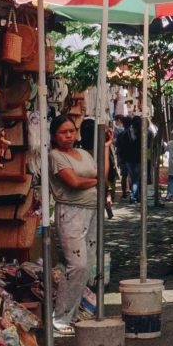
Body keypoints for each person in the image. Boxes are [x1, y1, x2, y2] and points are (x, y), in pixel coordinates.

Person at [47, 116, 99, 331]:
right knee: (76, 265)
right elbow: (74, 183)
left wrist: (104, 146)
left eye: (71, 131)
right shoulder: (55, 156)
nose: (69, 135)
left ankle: (72, 313)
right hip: (70, 213)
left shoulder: (84, 154)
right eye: (63, 132)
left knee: (87, 266)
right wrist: (98, 182)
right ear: (54, 135)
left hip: (92, 211)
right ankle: (60, 317)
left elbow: (101, 172)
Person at [115, 114, 141, 202]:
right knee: (135, 178)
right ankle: (134, 196)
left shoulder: (122, 134)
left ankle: (127, 193)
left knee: (127, 176)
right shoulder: (138, 133)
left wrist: (119, 158)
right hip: (136, 158)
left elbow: (118, 146)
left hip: (125, 158)